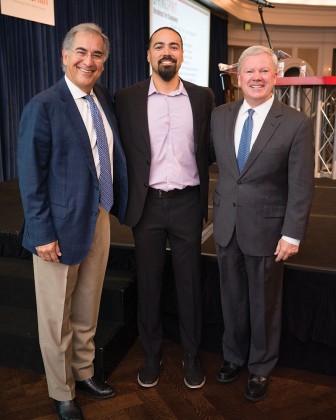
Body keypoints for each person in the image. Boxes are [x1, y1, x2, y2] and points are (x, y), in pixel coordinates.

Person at [17, 23, 128, 420]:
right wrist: (42, 233)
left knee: (87, 307)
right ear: (64, 56)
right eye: (81, 52)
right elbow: (31, 177)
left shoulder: (103, 103)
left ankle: (84, 373)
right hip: (57, 231)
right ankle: (61, 391)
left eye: (97, 54)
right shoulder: (43, 106)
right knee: (56, 316)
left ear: (104, 62)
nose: (89, 60)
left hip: (98, 218)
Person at [210, 45, 314, 402]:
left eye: (263, 72)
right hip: (227, 225)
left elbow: (301, 183)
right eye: (249, 72)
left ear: (275, 77)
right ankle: (234, 356)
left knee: (264, 302)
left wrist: (292, 233)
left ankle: (261, 366)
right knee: (232, 298)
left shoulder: (296, 123)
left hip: (269, 231)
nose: (256, 77)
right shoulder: (220, 115)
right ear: (239, 78)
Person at [115, 27, 214, 389]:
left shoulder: (203, 97)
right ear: (148, 55)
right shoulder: (125, 98)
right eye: (159, 46)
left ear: (183, 55)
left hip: (188, 203)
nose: (166, 52)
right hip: (148, 206)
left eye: (174, 46)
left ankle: (191, 355)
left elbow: (211, 149)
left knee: (190, 285)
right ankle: (152, 354)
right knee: (150, 285)